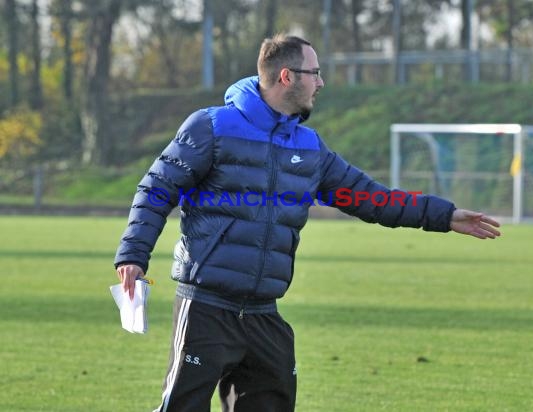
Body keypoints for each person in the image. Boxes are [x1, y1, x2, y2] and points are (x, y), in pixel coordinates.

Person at [114, 34, 501, 412]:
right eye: (314, 72)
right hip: (207, 309)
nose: (321, 82)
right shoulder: (211, 128)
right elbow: (157, 190)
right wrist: (133, 255)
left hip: (265, 314)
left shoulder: (310, 147)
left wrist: (443, 215)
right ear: (287, 76)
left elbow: (370, 198)